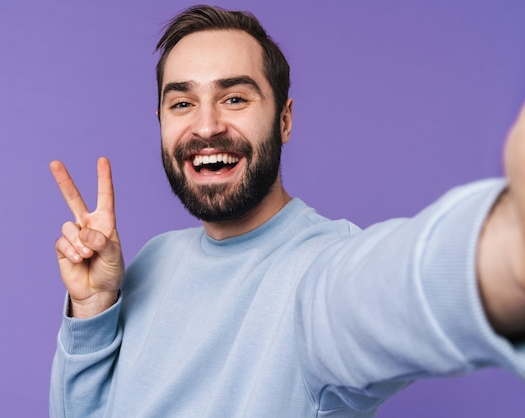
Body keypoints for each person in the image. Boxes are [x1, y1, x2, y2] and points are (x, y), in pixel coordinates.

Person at [49, 5, 525, 417]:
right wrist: (93, 311)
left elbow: (388, 287)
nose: (206, 125)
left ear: (284, 119)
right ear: (161, 122)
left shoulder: (321, 269)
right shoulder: (153, 259)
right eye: (182, 103)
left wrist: (507, 248)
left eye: (234, 98)